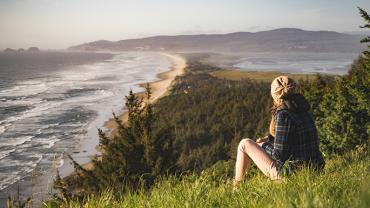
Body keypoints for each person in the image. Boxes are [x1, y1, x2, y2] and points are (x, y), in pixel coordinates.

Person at [233, 76, 325, 190]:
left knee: (244, 144)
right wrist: (269, 140)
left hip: (293, 176)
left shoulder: (284, 114)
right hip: (316, 170)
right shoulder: (303, 108)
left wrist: (263, 145)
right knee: (259, 144)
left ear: (275, 96)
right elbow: (293, 139)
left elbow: (279, 156)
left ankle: (236, 189)